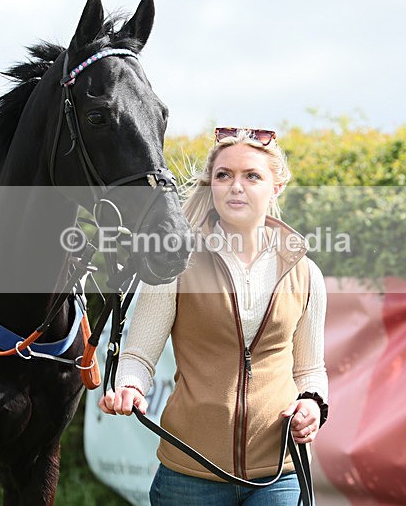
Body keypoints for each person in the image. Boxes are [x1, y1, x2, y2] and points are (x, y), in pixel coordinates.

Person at [99, 127, 328, 505]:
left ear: (276, 187)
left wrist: (312, 405)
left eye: (251, 175)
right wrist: (130, 386)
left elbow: (310, 371)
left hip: (279, 475)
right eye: (224, 176)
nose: (236, 186)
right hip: (189, 476)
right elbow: (138, 356)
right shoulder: (174, 264)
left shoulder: (306, 273)